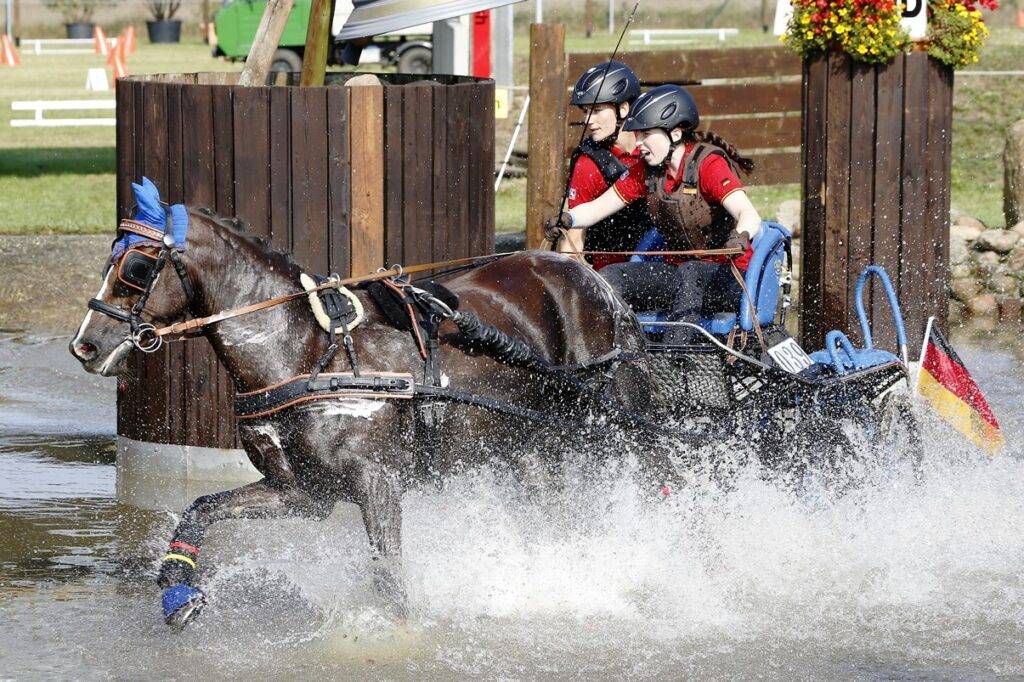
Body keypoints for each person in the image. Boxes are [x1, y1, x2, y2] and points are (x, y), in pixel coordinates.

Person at [550, 84, 762, 344]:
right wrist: (568, 219)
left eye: (646, 135)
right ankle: (619, 352)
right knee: (612, 277)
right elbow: (596, 209)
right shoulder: (646, 171)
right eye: (637, 136)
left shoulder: (708, 165)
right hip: (680, 278)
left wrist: (741, 235)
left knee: (692, 273)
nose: (638, 144)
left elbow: (749, 214)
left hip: (728, 279)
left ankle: (674, 359)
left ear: (675, 133)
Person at [562, 60, 652, 270]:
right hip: (611, 275)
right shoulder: (588, 164)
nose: (588, 120)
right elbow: (573, 240)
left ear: (623, 108)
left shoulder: (654, 150)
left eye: (597, 110)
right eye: (585, 111)